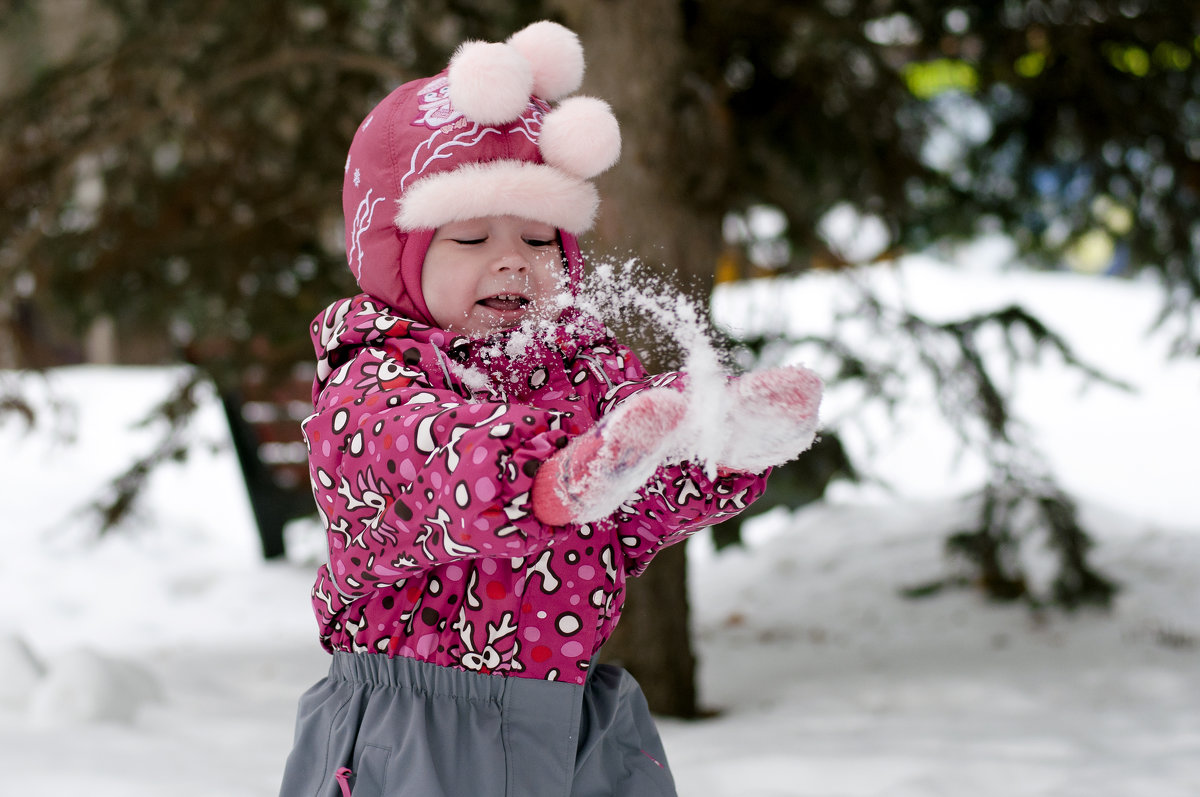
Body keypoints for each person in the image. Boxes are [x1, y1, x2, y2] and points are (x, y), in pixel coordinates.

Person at [278, 20, 822, 797]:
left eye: (539, 237)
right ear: (394, 253)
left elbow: (633, 492)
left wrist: (714, 441)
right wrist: (548, 478)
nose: (512, 259)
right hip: (422, 733)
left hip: (573, 722)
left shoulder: (581, 370)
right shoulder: (369, 383)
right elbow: (427, 457)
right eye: (469, 236)